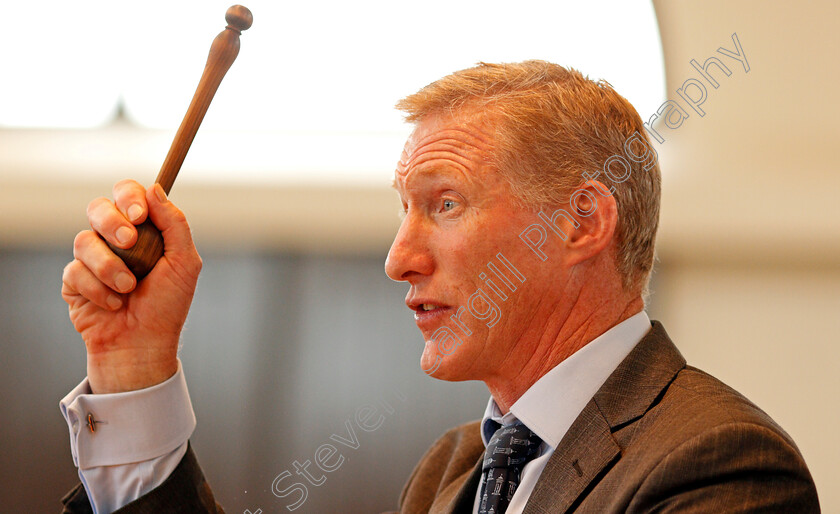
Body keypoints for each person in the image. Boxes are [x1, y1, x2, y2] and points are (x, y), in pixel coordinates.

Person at [59, 61, 820, 513]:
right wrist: (135, 367)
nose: (398, 259)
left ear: (583, 220)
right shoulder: (450, 469)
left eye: (443, 204)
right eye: (403, 211)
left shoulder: (720, 462)